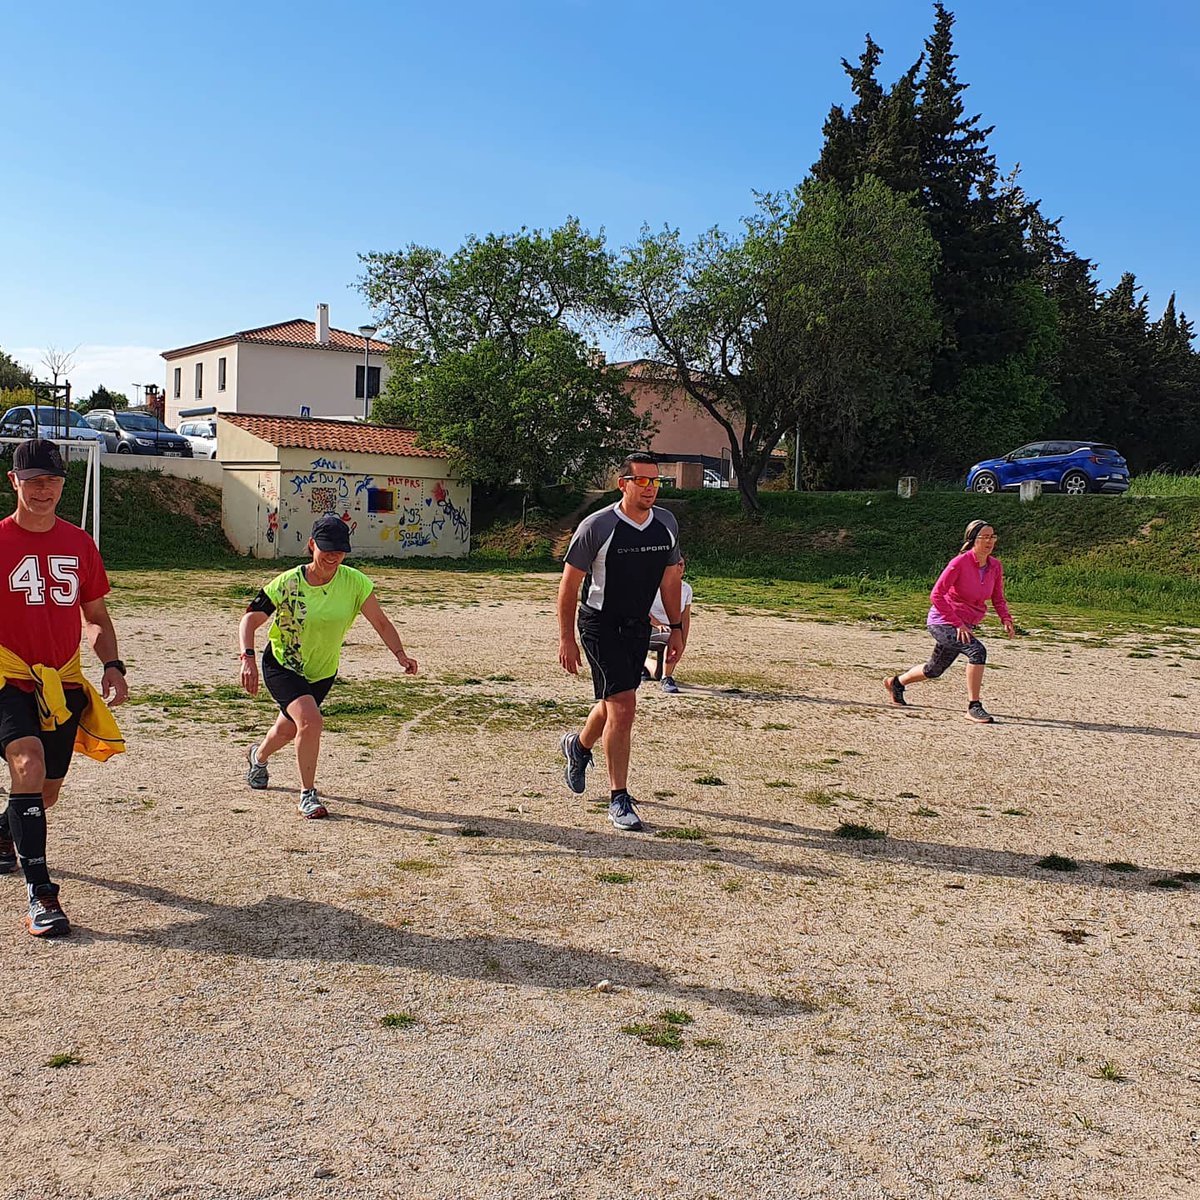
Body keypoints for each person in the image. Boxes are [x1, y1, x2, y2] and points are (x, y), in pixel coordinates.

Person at [0, 438, 128, 937]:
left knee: (44, 792)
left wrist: (112, 664)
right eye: (33, 480)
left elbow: (95, 616)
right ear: (14, 481)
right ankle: (42, 894)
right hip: (7, 677)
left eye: (51, 480)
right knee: (27, 762)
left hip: (62, 682)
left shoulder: (79, 544)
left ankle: (6, 832)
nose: (43, 489)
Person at [239, 514, 418, 818]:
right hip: (283, 664)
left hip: (322, 671)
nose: (333, 556)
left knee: (289, 728)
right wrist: (247, 659)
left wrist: (400, 653)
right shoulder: (289, 583)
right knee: (311, 721)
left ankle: (258, 756)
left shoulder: (354, 582)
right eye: (326, 549)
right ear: (311, 545)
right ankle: (308, 795)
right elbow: (249, 619)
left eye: (340, 550)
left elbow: (381, 622)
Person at [557, 452, 684, 831]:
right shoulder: (597, 526)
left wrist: (676, 627)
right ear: (623, 484)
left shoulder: (666, 524)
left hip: (637, 626)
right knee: (624, 706)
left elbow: (670, 580)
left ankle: (578, 746)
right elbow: (569, 586)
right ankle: (619, 799)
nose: (650, 488)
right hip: (599, 623)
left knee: (616, 701)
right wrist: (567, 638)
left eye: (656, 481)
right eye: (642, 481)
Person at [884, 519, 1015, 724]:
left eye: (993, 536)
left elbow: (997, 597)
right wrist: (957, 623)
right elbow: (936, 595)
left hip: (965, 623)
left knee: (934, 670)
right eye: (985, 537)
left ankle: (896, 683)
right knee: (977, 651)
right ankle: (974, 706)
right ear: (973, 540)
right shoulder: (959, 563)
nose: (990, 541)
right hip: (943, 620)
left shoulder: (995, 566)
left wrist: (1005, 618)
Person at [643, 556, 692, 693]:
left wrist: (683, 639)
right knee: (669, 635)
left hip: (671, 631)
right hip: (648, 628)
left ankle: (647, 664)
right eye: (677, 564)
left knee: (656, 674)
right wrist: (657, 624)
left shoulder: (686, 589)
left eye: (682, 564)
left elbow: (685, 617)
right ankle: (667, 677)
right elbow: (642, 609)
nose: (681, 568)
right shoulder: (651, 585)